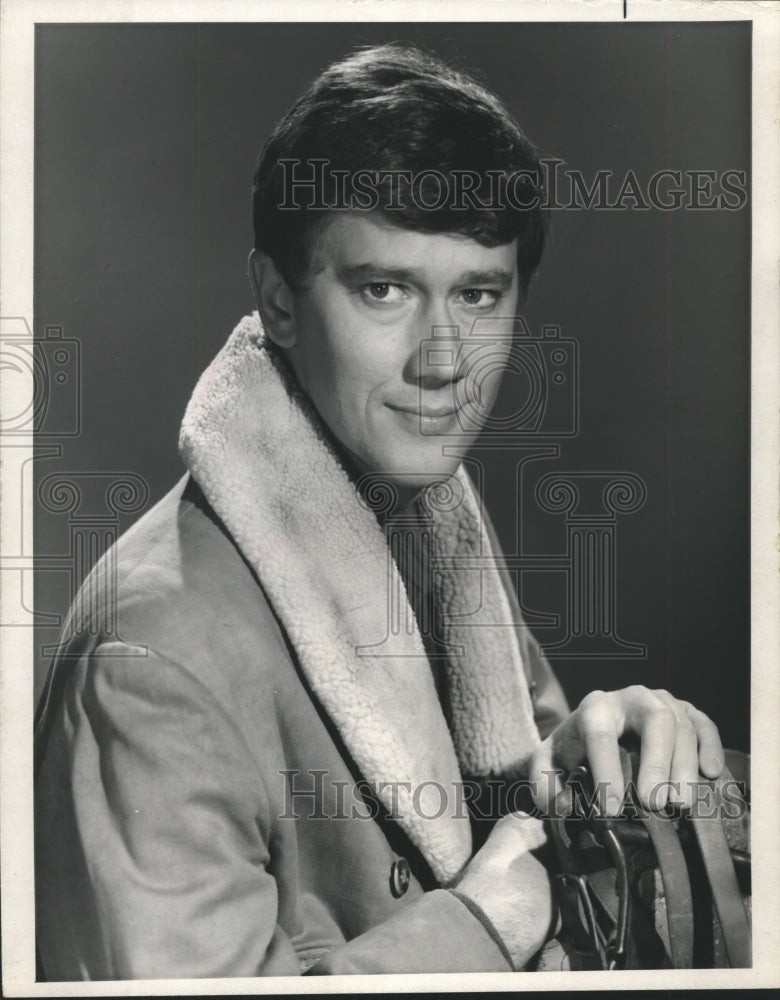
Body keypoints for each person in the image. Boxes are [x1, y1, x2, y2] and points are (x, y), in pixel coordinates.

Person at [33, 43, 725, 979]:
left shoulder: (429, 519)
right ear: (278, 299)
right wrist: (484, 922)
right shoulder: (147, 660)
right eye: (384, 290)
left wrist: (591, 770)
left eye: (478, 295)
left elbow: (508, 818)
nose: (442, 360)